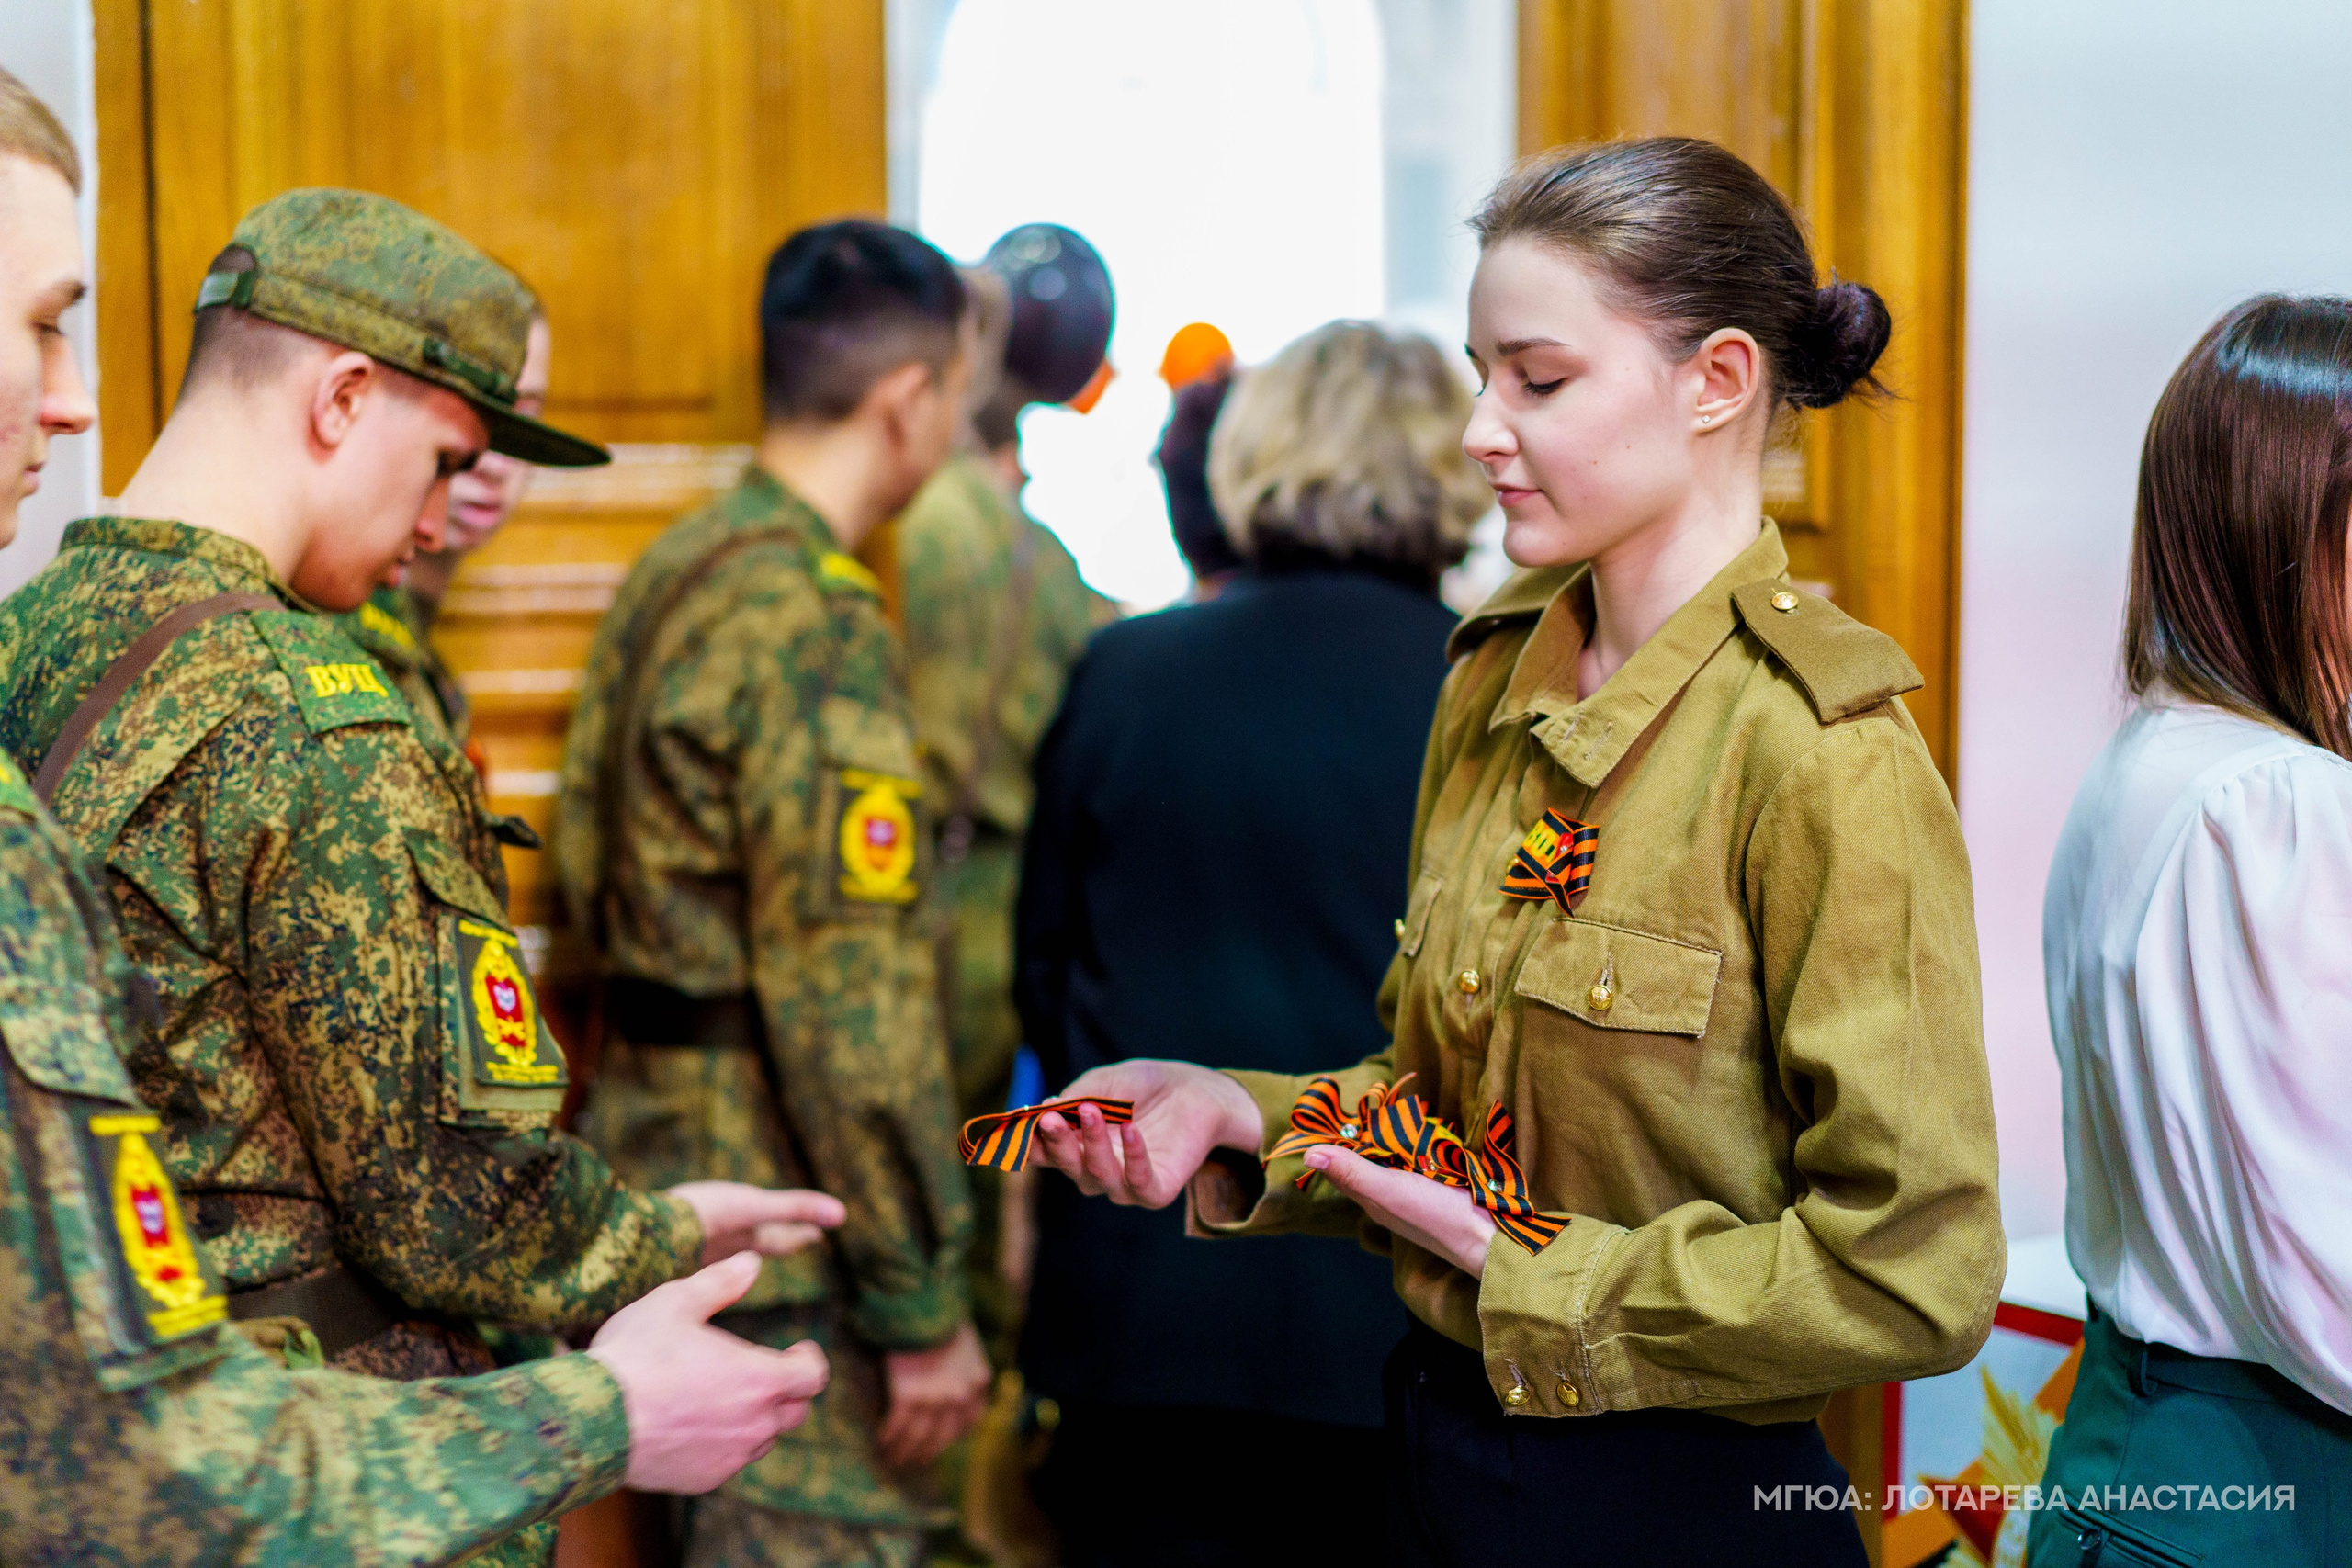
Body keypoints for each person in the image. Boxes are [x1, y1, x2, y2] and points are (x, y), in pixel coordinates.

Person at [1026, 137, 2005, 1568]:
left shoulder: (1819, 748)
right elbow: (1441, 1113)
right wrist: (1236, 1112)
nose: (1486, 428)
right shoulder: (1493, 672)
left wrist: (1543, 1273)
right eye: (1484, 375)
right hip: (1433, 1447)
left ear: (1717, 381)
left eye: (1538, 381)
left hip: (1673, 1498)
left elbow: (1917, 1271)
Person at [0, 65, 831, 1564]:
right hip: (318, 1452)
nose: (444, 512)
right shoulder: (319, 710)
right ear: (341, 400)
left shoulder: (35, 628)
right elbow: (449, 1194)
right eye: (446, 458)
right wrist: (658, 1241)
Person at [553, 219, 992, 1568]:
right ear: (908, 400)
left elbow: (579, 874)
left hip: (660, 1191)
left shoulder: (677, 569)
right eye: (964, 405)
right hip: (797, 1239)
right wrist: (923, 1303)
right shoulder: (817, 617)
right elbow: (852, 1012)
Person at [1012, 319, 1480, 1566]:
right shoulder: (1489, 698)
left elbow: (1043, 972)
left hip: (1141, 1297)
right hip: (1397, 1299)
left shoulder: (1124, 669)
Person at [2030, 295, 2352, 1568]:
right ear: (2288, 528)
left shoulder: (2156, 762)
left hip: (2145, 1455)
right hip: (2269, 1477)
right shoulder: (2277, 802)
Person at [897, 230, 1117, 1360]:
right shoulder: (1036, 559)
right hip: (991, 910)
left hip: (894, 892)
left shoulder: (899, 524)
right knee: (969, 1198)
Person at [337, 300, 549, 762]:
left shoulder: (413, 644)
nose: (492, 463)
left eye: (521, 421)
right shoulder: (337, 625)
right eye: (463, 414)